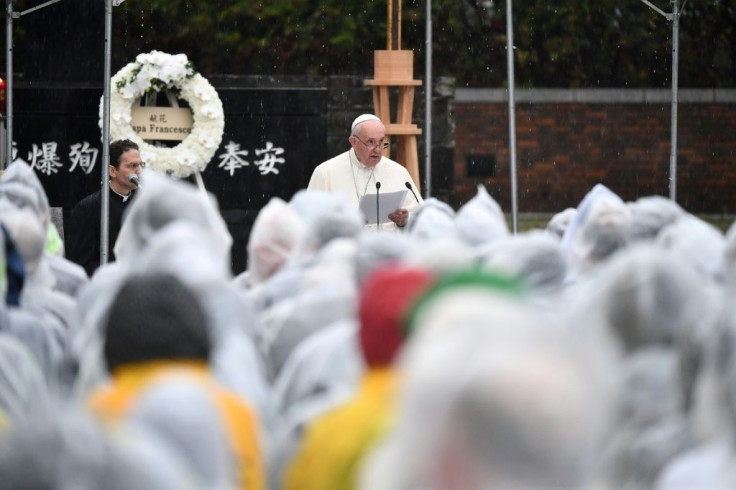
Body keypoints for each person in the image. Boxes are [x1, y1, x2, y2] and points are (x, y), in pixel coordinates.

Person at [307, 114, 422, 230]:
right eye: (370, 142)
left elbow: (420, 217)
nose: (377, 150)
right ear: (353, 142)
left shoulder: (398, 172)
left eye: (381, 142)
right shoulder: (326, 172)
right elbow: (309, 219)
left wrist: (405, 220)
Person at [67, 139, 143, 277]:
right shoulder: (88, 208)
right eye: (132, 166)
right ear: (113, 171)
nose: (138, 171)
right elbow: (81, 262)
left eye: (140, 165)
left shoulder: (141, 204)